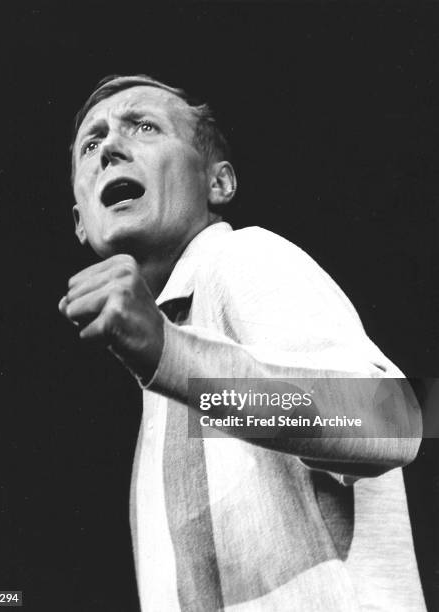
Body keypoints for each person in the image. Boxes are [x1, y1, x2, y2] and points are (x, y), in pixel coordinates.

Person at [59, 74, 425, 611]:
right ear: (80, 225)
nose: (111, 147)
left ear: (219, 184)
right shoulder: (168, 359)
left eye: (143, 126)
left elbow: (395, 421)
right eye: (92, 144)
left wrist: (168, 354)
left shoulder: (242, 258)